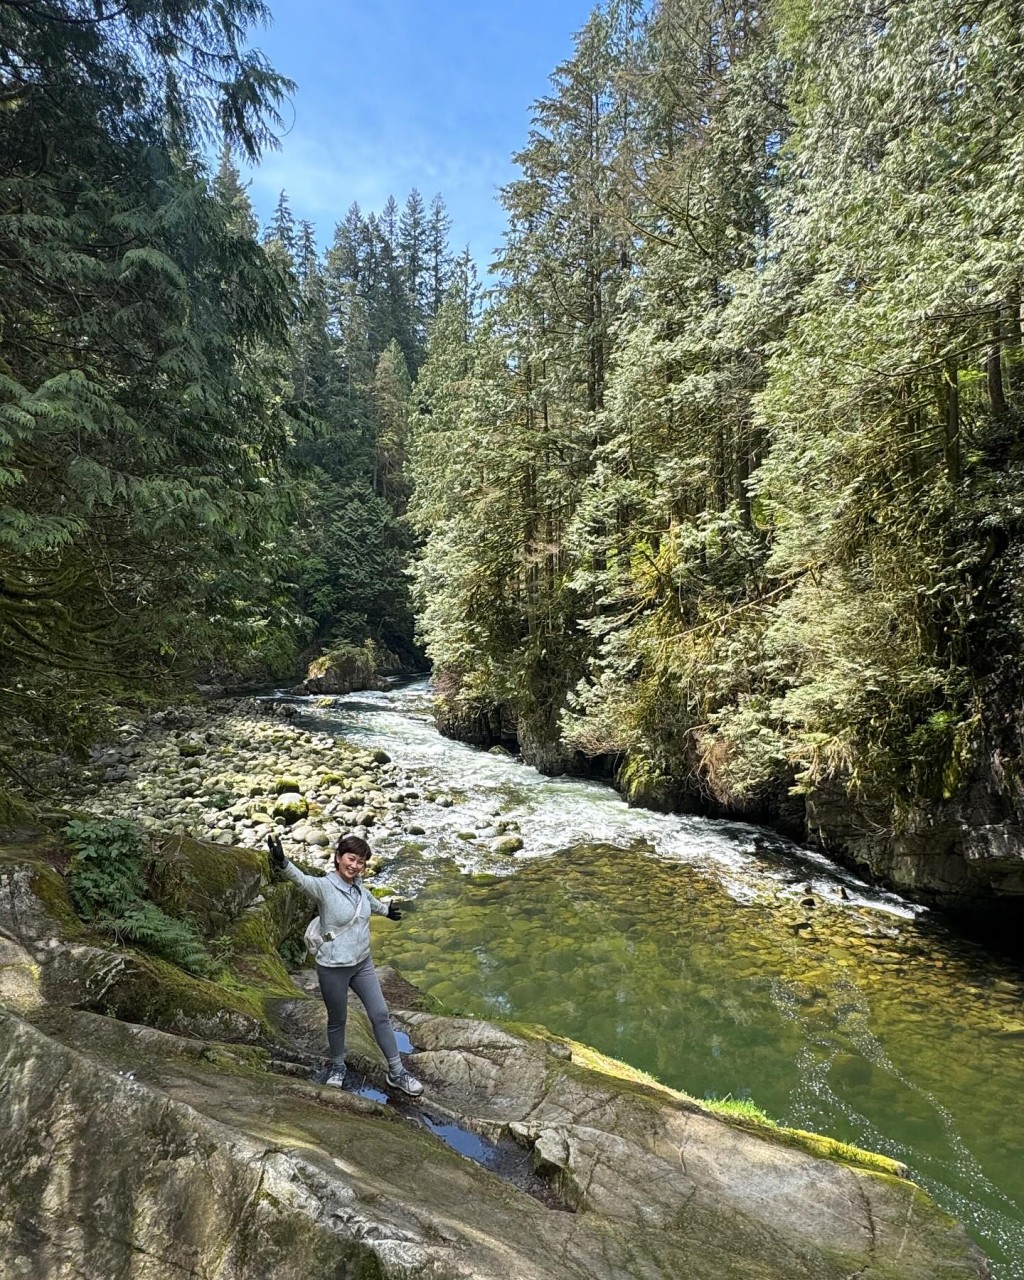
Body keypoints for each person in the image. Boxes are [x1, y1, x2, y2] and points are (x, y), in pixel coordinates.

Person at [267, 831, 424, 1096]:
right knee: (338, 1019)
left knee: (381, 1015)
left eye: (360, 862)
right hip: (333, 968)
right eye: (351, 859)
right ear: (338, 857)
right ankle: (337, 1066)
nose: (355, 865)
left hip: (362, 963)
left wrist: (387, 911)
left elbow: (369, 901)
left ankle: (397, 1072)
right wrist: (283, 862)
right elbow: (302, 881)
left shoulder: (358, 886)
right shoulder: (325, 887)